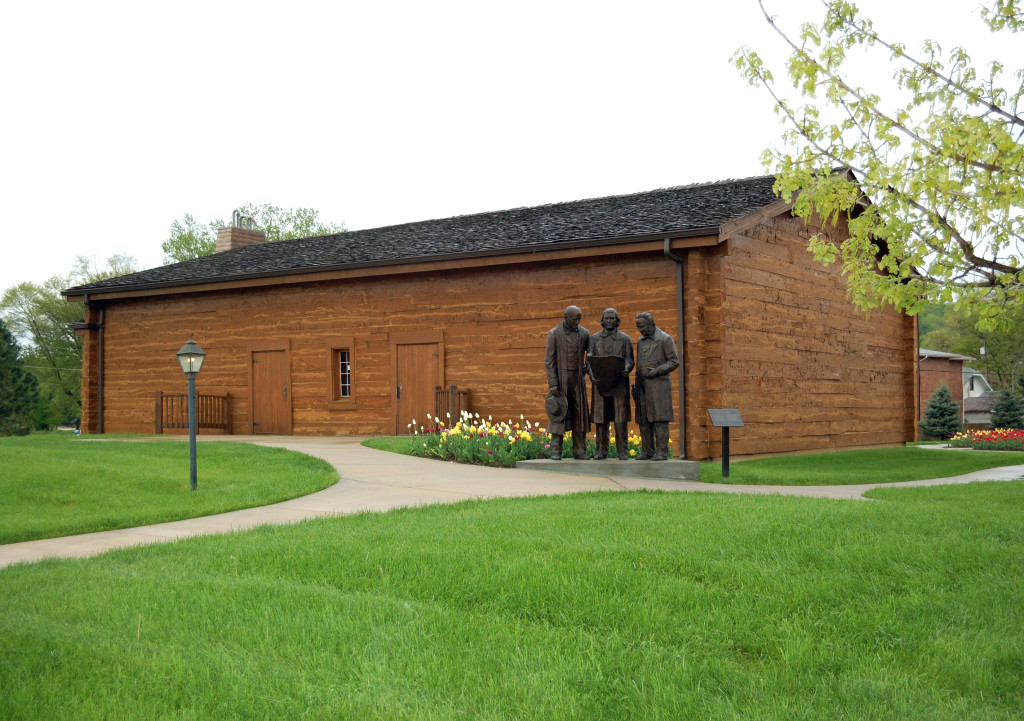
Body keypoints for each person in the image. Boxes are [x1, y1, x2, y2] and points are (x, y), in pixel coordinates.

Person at [545, 305, 591, 460]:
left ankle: (579, 450)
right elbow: (549, 361)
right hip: (561, 380)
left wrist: (586, 369)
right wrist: (552, 383)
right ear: (566, 317)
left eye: (580, 318)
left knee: (580, 414)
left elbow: (590, 356)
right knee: (559, 413)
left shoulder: (585, 334)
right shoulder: (554, 334)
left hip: (578, 379)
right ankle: (555, 451)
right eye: (575, 318)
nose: (578, 321)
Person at [587, 308, 633, 460]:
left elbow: (629, 359)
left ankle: (622, 452)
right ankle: (601, 451)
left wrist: (627, 369)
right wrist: (593, 378)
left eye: (612, 318)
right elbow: (589, 360)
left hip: (619, 383)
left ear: (617, 320)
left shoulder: (625, 339)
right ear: (602, 320)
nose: (609, 321)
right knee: (601, 419)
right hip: (600, 384)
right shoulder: (594, 338)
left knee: (620, 419)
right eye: (606, 318)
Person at [634, 312, 679, 461]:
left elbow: (674, 362)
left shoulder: (664, 339)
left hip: (659, 386)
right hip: (643, 387)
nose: (640, 329)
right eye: (638, 327)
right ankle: (647, 451)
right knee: (644, 419)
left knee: (660, 419)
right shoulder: (641, 341)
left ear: (651, 323)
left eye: (642, 326)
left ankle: (662, 452)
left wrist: (657, 370)